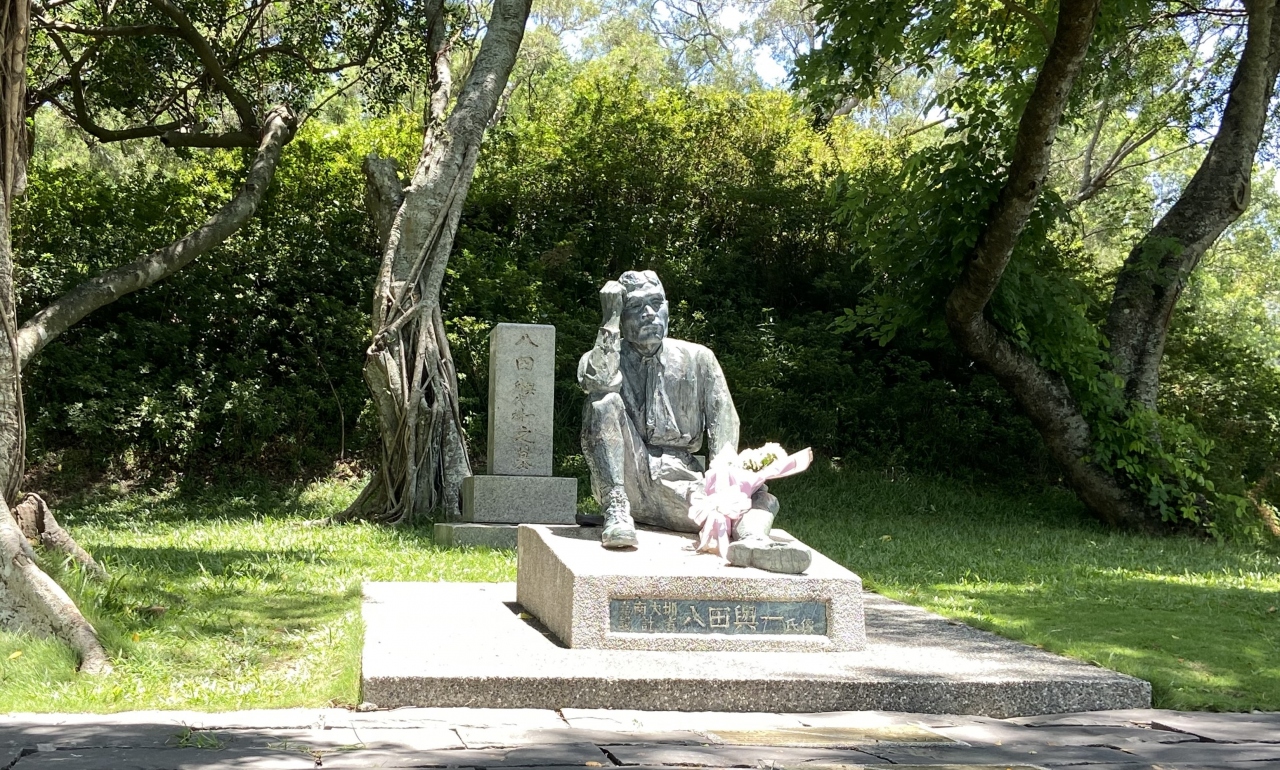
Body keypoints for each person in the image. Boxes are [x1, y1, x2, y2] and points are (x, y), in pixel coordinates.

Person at [577, 270, 811, 574]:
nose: (649, 313)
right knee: (603, 401)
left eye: (656, 303)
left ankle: (752, 542)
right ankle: (616, 509)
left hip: (682, 478)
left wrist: (727, 480)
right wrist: (609, 320)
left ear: (667, 307)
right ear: (622, 315)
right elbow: (597, 381)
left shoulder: (699, 358)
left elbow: (724, 421)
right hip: (630, 476)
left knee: (759, 497)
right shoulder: (607, 355)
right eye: (635, 306)